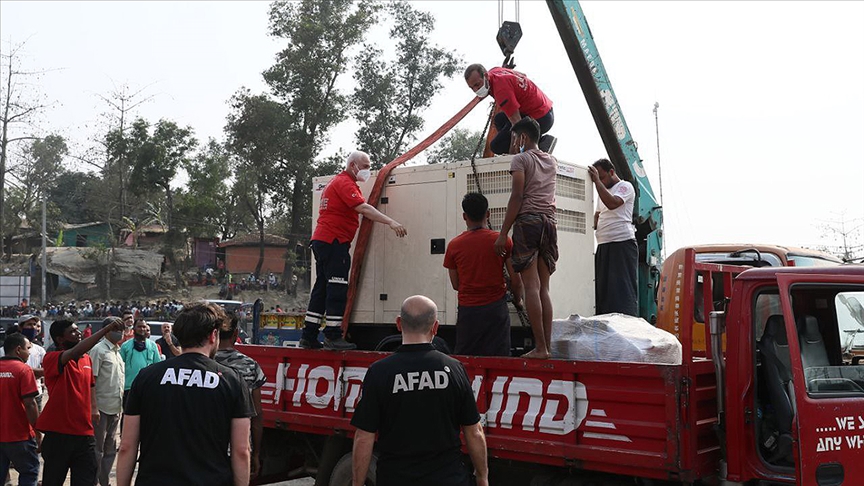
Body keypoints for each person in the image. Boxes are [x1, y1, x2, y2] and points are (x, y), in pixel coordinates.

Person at [351, 296, 488, 486]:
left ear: (399, 323)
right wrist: (482, 477)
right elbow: (474, 432)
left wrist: (357, 483)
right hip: (449, 480)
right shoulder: (455, 369)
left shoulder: (379, 372)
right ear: (435, 327)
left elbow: (364, 437)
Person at [115, 302, 254, 486]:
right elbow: (241, 451)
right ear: (213, 336)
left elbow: (126, 446)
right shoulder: (232, 380)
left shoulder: (147, 377)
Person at [300, 151, 408, 351]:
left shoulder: (336, 182)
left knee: (322, 288)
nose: (367, 170)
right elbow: (364, 208)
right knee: (337, 288)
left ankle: (309, 335)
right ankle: (332, 335)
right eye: (365, 166)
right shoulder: (345, 184)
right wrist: (391, 221)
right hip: (334, 242)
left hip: (324, 241)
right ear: (352, 165)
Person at [494, 117, 558, 359]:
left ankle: (540, 348)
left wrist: (502, 233)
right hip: (549, 223)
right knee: (544, 288)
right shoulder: (551, 160)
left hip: (528, 222)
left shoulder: (521, 159)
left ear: (522, 138)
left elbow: (517, 197)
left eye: (514, 137)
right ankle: (547, 347)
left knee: (531, 286)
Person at [36, 318, 124, 486]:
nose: (78, 333)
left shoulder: (86, 359)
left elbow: (91, 384)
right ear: (60, 339)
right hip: (59, 434)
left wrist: (94, 408)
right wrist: (105, 330)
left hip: (84, 433)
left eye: (78, 330)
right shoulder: (52, 358)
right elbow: (74, 352)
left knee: (87, 478)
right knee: (53, 480)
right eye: (72, 332)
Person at [444, 193, 523, 356]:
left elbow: (456, 285)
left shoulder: (454, 246)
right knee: (499, 360)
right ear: (488, 214)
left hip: (468, 312)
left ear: (464, 216)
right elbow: (516, 280)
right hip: (495, 310)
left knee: (467, 359)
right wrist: (518, 300)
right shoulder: (503, 241)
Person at [215, 314, 266, 480]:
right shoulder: (250, 366)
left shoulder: (203, 363)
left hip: (206, 447)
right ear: (236, 334)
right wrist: (256, 453)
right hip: (239, 446)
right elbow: (257, 414)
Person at [464, 63, 555, 155]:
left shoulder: (501, 91)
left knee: (497, 146)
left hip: (541, 119)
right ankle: (533, 141)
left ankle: (540, 145)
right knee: (499, 119)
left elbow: (518, 124)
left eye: (477, 84)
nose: (476, 90)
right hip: (545, 108)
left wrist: (514, 155)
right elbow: (523, 75)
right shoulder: (495, 71)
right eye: (472, 88)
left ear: (486, 76)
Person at [588, 158, 638, 316]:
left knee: (621, 291)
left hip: (621, 244)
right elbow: (596, 217)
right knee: (603, 290)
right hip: (604, 245)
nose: (600, 180)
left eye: (601, 176)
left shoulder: (625, 186)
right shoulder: (602, 192)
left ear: (611, 172)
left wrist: (596, 181)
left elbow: (613, 203)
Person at [88, 317, 125, 486]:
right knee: (97, 449)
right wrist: (93, 407)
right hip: (100, 408)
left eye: (122, 329)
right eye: (116, 329)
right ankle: (93, 481)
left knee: (110, 449)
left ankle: (104, 481)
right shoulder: (98, 350)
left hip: (115, 407)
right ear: (106, 330)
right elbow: (91, 381)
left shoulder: (117, 351)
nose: (120, 332)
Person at [0, 333, 41, 486]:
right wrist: (37, 431)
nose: (29, 352)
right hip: (20, 435)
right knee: (29, 473)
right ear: (18, 350)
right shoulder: (23, 370)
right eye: (27, 349)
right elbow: (30, 404)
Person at [120, 319, 162, 406]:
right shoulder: (125, 346)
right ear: (134, 328)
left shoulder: (153, 345)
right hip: (129, 387)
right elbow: (120, 367)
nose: (142, 329)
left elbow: (158, 367)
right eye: (139, 326)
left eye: (144, 327)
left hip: (148, 387)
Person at [18, 315, 46, 410]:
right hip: (15, 394)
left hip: (35, 394)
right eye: (29, 324)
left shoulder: (40, 350)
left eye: (35, 324)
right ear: (20, 327)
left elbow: (45, 371)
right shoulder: (5, 349)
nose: (33, 327)